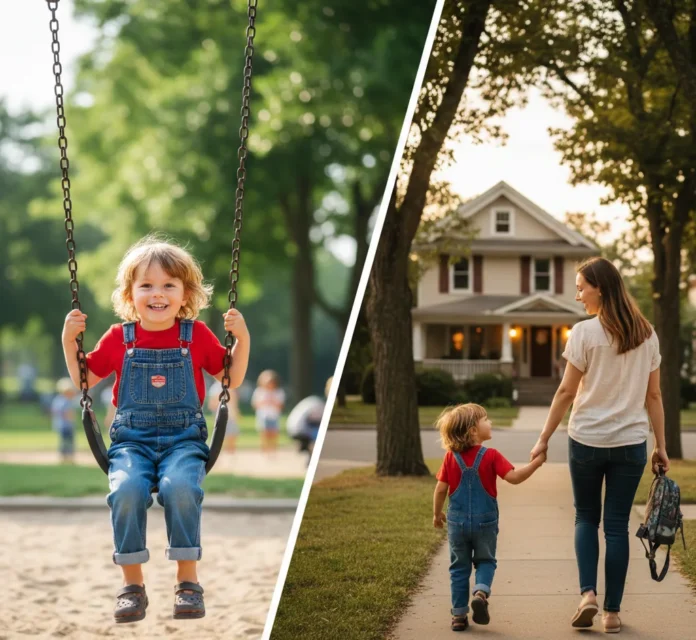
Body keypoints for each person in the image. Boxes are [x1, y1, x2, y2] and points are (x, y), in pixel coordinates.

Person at [61, 236, 250, 623]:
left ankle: (187, 582)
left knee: (180, 487)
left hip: (183, 441)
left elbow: (229, 377)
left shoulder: (196, 335)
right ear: (130, 294)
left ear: (186, 293)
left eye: (168, 285)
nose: (157, 293)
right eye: (146, 285)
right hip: (132, 442)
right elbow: (85, 378)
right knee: (126, 491)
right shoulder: (119, 338)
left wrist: (242, 337)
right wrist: (69, 340)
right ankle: (132, 586)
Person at [529, 256, 668, 634]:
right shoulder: (647, 334)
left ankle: (587, 594)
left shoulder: (584, 333)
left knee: (586, 517)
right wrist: (662, 446)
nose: (577, 296)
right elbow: (654, 397)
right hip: (630, 443)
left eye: (580, 288)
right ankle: (612, 613)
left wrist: (543, 438)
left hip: (587, 440)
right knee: (617, 526)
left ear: (600, 288)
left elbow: (564, 391)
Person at [433, 403, 546, 632]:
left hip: (457, 524)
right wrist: (537, 463)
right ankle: (481, 593)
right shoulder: (491, 456)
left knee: (459, 568)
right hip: (485, 523)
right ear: (473, 430)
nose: (490, 422)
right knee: (486, 561)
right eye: (486, 419)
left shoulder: (450, 458)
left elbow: (440, 489)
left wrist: (437, 514)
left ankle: (458, 616)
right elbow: (514, 478)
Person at [251, 370, 285, 454]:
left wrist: (272, 401)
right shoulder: (259, 391)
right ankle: (265, 451)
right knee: (264, 433)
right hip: (263, 416)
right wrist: (264, 402)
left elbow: (281, 405)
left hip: (274, 416)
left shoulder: (278, 392)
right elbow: (255, 404)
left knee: (274, 433)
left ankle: (273, 450)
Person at [207, 380, 240, 454]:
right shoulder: (215, 388)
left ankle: (231, 453)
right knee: (220, 435)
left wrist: (235, 412)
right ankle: (220, 453)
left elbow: (234, 401)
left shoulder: (230, 386)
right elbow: (212, 404)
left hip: (231, 414)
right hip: (221, 414)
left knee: (232, 435)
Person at [50, 377, 78, 464]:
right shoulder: (62, 400)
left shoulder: (65, 400)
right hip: (64, 425)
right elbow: (65, 412)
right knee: (66, 441)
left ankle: (69, 455)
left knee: (69, 440)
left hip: (67, 424)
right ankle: (65, 455)